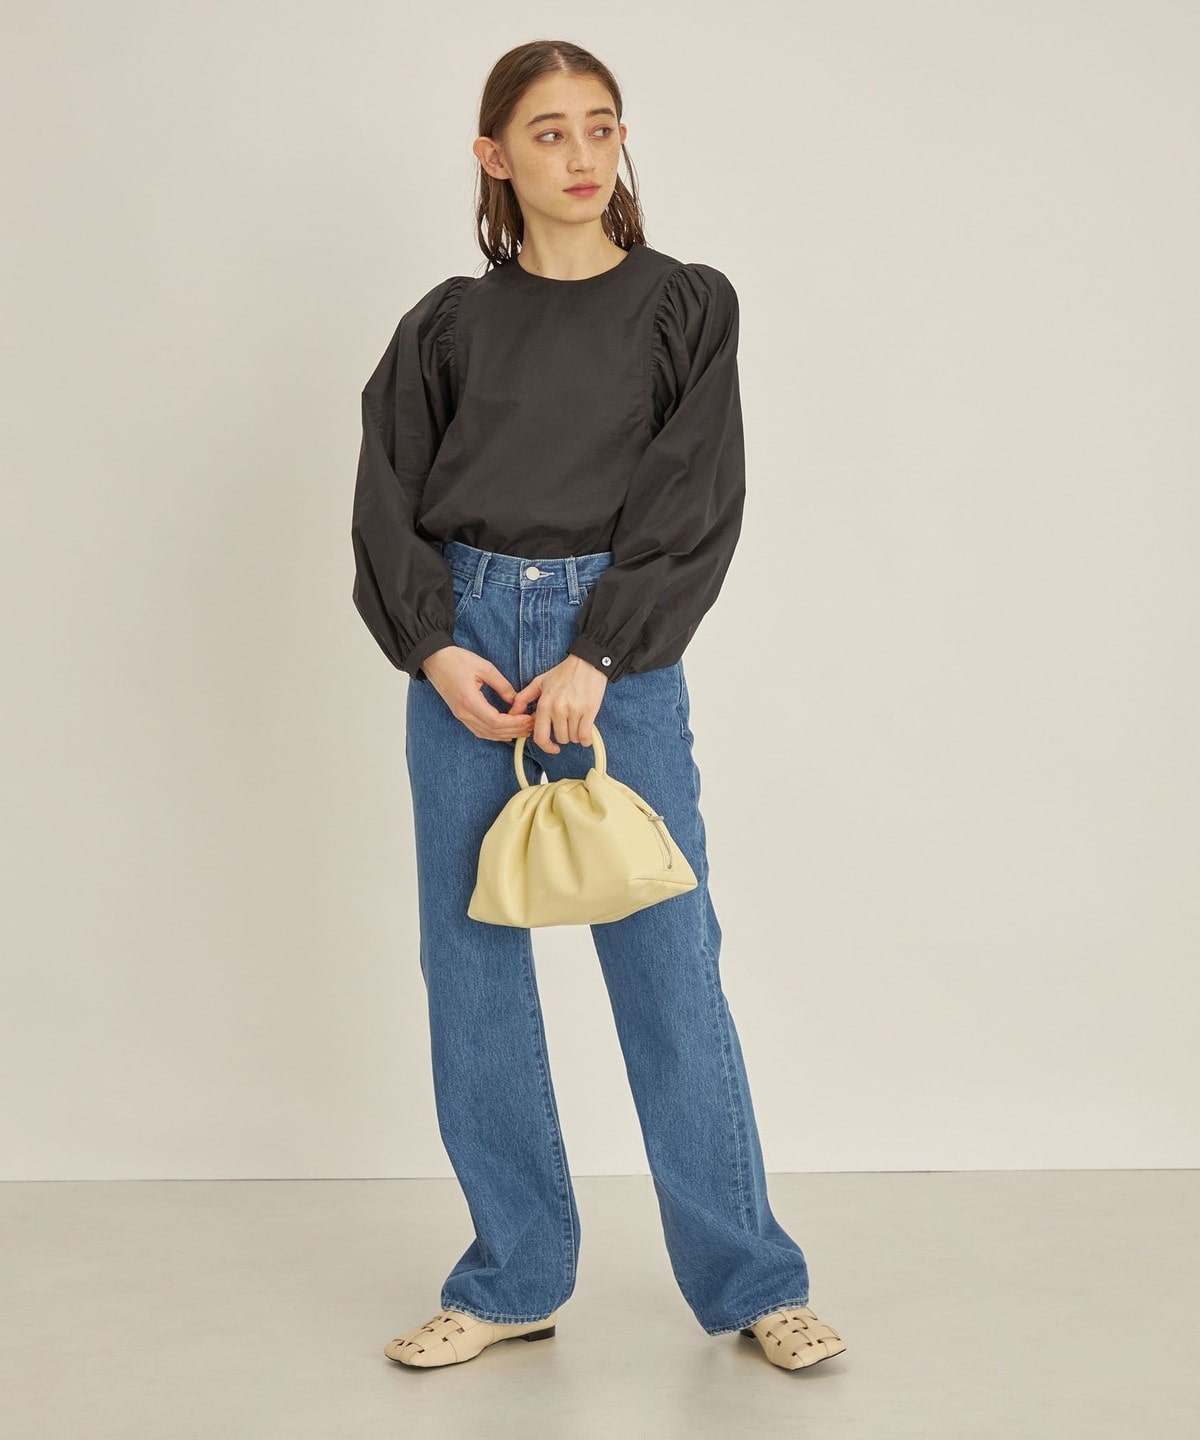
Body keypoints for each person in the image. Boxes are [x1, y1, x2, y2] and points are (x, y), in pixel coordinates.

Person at [351, 39, 848, 1373]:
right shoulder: (447, 325)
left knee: (668, 960)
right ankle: (513, 1277)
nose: (581, 154)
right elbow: (388, 491)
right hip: (467, 645)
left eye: (601, 126)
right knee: (474, 975)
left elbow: (698, 491)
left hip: (613, 650)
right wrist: (432, 649)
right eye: (549, 131)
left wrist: (602, 655)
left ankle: (752, 1279)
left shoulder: (686, 304)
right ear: (492, 155)